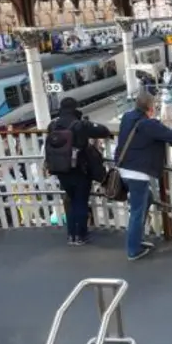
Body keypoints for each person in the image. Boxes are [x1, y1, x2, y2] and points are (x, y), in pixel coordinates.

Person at [115, 91, 172, 261]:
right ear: (150, 107)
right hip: (137, 173)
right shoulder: (149, 124)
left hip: (123, 168)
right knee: (137, 211)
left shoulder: (127, 117)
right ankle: (133, 249)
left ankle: (137, 239)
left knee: (148, 199)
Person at [46, 97, 110, 245]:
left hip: (60, 170)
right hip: (79, 169)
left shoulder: (53, 125)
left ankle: (71, 235)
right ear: (75, 108)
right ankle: (81, 235)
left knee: (71, 200)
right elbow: (103, 131)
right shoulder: (79, 124)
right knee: (80, 201)